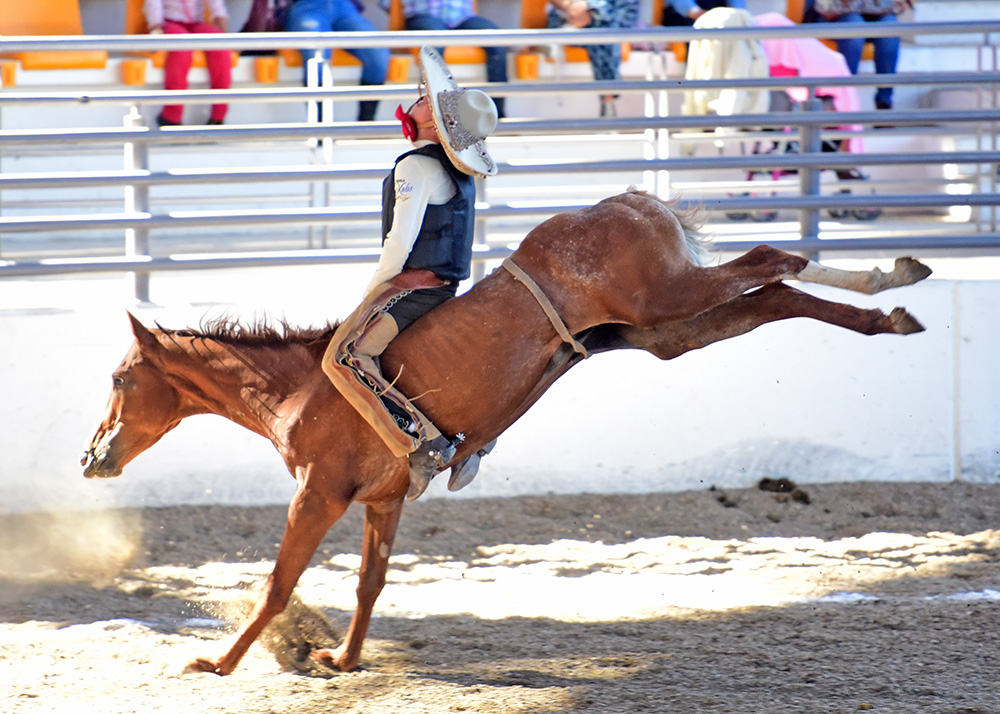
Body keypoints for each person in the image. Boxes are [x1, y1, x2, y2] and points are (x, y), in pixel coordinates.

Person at [322, 46, 499, 501]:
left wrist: (374, 292)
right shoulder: (452, 171)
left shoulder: (416, 167)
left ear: (431, 124)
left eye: (427, 101)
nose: (419, 98)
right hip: (445, 286)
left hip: (414, 287)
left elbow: (399, 243)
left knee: (343, 358)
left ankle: (421, 444)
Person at [392, 0, 507, 118]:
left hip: (462, 17)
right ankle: (433, 116)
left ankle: (495, 115)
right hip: (424, 15)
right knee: (434, 44)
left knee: (497, 40)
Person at [284, 0, 389, 121]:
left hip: (344, 6)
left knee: (377, 50)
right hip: (305, 6)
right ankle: (320, 131)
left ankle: (366, 127)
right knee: (317, 52)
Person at [804, 0, 912, 111]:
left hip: (876, 14)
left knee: (890, 27)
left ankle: (884, 103)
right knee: (854, 25)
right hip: (833, 15)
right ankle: (841, 99)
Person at [143, 0, 232, 126]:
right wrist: (156, 30)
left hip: (195, 24)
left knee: (219, 47)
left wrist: (226, 36)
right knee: (182, 47)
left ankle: (218, 117)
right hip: (167, 24)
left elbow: (216, 5)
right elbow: (153, 5)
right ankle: (171, 117)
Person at [546, 0, 640, 118]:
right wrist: (572, 7)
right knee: (604, 31)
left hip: (611, 16)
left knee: (604, 28)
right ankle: (608, 101)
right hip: (571, 16)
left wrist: (589, 9)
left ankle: (607, 104)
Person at [660, 0, 744, 27]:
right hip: (687, 20)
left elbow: (738, 8)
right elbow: (687, 7)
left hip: (722, 19)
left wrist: (737, 15)